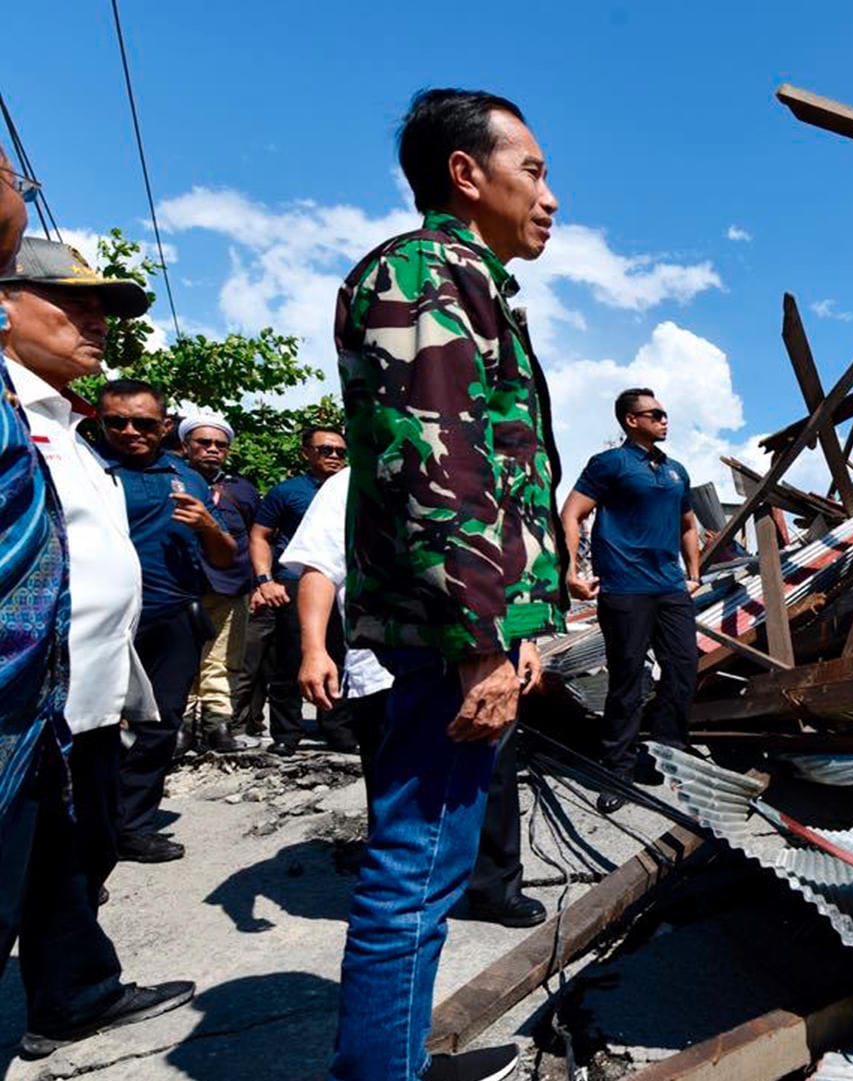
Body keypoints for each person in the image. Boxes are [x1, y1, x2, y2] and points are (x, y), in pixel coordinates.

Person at [330, 87, 564, 1081]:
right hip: (445, 637)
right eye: (534, 171)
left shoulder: (463, 281)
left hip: (461, 626)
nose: (550, 196)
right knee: (417, 868)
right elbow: (434, 468)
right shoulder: (425, 272)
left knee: (429, 863)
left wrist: (520, 626)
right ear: (467, 175)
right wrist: (480, 642)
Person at [0, 231, 195, 1057]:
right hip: (21, 706)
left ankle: (77, 992)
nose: (95, 321)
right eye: (71, 303)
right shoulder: (11, 418)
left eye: (100, 306)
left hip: (77, 700)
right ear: (2, 308)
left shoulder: (60, 422)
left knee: (64, 860)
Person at [286, 467, 548, 928]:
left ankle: (495, 889)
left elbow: (510, 571)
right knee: (401, 794)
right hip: (392, 667)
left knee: (494, 780)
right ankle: (406, 911)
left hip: (486, 663)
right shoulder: (350, 482)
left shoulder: (478, 475)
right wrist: (313, 649)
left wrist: (525, 641)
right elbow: (319, 568)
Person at [95, 378, 238, 862]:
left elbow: (224, 557)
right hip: (101, 622)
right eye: (117, 421)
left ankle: (132, 827)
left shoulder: (189, 478)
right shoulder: (89, 470)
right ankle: (84, 845)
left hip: (172, 617)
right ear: (100, 421)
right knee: (91, 731)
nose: (130, 431)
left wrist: (208, 525)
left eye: (144, 422)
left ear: (167, 426)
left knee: (160, 726)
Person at [559, 387, 699, 811]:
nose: (663, 418)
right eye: (653, 413)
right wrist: (570, 571)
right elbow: (572, 513)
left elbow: (688, 523)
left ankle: (668, 756)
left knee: (683, 669)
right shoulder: (610, 464)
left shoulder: (676, 471)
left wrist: (693, 574)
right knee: (627, 679)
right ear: (629, 420)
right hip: (624, 588)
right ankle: (616, 770)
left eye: (664, 412)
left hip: (670, 587)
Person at [249, 425, 353, 755]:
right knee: (292, 658)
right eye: (325, 450)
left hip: (341, 584)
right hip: (294, 583)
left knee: (339, 654)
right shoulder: (287, 492)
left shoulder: (354, 487)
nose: (334, 456)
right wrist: (265, 581)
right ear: (306, 452)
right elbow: (259, 536)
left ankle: (337, 729)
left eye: (339, 451)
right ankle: (286, 733)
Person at [178, 413, 259, 753]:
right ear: (186, 446)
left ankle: (218, 726)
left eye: (220, 445)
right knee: (182, 659)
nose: (212, 450)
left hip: (230, 586)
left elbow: (256, 537)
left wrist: (258, 583)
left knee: (222, 659)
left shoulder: (242, 489)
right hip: (182, 586)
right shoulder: (172, 479)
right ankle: (180, 728)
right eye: (204, 443)